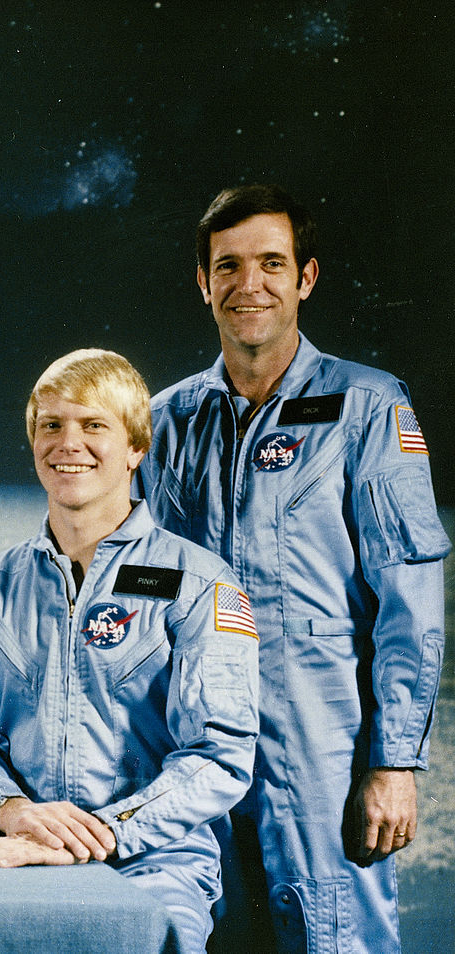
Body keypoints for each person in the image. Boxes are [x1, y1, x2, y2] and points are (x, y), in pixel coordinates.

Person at [139, 184, 449, 954]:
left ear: (306, 277)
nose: (251, 285)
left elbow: (409, 601)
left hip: (320, 743)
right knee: (204, 932)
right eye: (230, 266)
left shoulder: (369, 408)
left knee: (333, 933)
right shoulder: (165, 420)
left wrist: (394, 762)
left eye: (272, 263)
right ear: (203, 282)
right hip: (194, 741)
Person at [0, 349, 260, 953]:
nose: (69, 443)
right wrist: (11, 811)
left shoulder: (199, 584)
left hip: (156, 865)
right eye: (51, 425)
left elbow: (220, 755)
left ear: (136, 447)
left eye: (94, 426)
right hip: (20, 851)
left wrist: (101, 835)